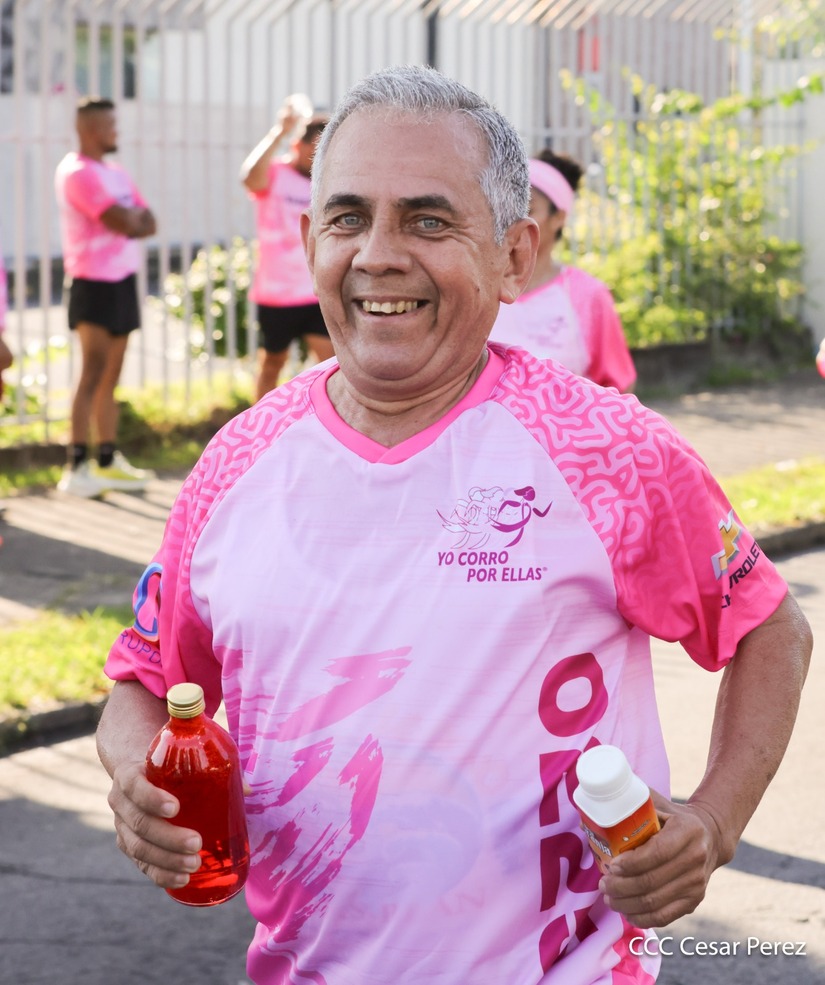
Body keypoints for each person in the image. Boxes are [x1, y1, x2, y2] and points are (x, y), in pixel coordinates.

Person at [97, 66, 812, 985]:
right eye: (347, 217)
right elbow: (144, 681)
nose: (378, 255)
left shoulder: (605, 450)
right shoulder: (234, 464)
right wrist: (139, 781)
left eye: (428, 221)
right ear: (309, 240)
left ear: (513, 256)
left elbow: (768, 627)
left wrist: (712, 821)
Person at [54, 96, 157, 498]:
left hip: (122, 281)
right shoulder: (77, 172)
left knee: (111, 376)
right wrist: (130, 221)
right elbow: (121, 220)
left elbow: (148, 222)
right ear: (92, 129)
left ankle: (107, 459)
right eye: (111, 125)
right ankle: (76, 466)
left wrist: (132, 221)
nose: (117, 131)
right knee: (92, 372)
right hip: (91, 282)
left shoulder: (116, 173)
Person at [489, 148, 637, 392]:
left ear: (558, 217)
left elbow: (619, 387)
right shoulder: (480, 285)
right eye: (506, 208)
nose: (513, 221)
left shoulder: (587, 295)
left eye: (528, 210)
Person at [240, 98, 334, 400]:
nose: (317, 158)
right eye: (313, 150)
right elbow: (249, 179)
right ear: (297, 146)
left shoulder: (326, 184)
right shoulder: (276, 174)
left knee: (332, 365)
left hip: (315, 290)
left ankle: (321, 419)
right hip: (277, 294)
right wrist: (280, 131)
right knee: (272, 364)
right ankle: (259, 422)